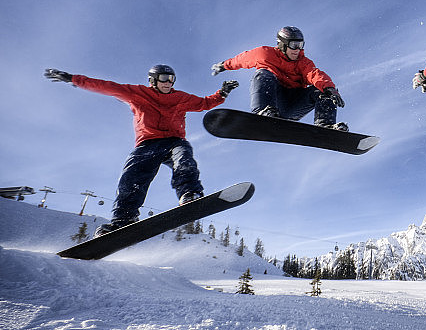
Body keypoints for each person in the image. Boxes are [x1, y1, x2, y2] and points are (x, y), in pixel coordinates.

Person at [44, 65, 239, 236]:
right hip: (148, 143)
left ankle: (190, 194)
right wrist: (73, 79)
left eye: (171, 79)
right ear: (153, 80)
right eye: (164, 78)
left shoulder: (181, 97)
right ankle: (123, 219)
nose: (168, 83)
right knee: (132, 178)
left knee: (184, 160)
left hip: (174, 141)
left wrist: (222, 93)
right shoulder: (138, 93)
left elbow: (204, 103)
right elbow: (106, 86)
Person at [210, 26, 348, 131]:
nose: (297, 50)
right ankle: (263, 112)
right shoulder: (264, 54)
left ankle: (325, 125)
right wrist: (223, 65)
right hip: (274, 101)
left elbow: (314, 74)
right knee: (263, 74)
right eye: (294, 45)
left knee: (322, 90)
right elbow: (241, 60)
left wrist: (329, 88)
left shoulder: (303, 63)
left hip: (293, 105)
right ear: (283, 44)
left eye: (301, 45)